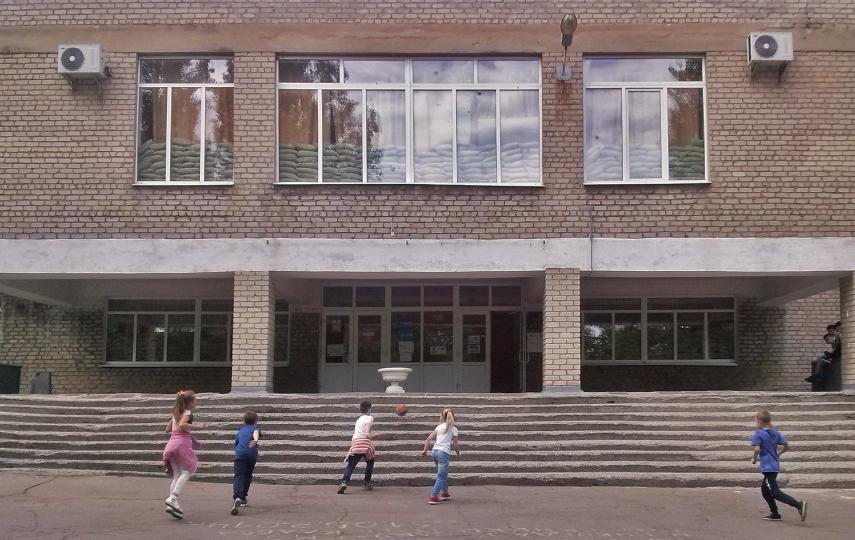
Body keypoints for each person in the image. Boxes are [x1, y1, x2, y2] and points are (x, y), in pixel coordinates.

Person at [751, 409, 807, 522]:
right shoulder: (776, 433)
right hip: (774, 466)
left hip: (768, 468)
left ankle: (798, 505)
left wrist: (754, 459)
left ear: (760, 421)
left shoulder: (758, 434)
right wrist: (779, 454)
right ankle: (775, 514)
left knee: (774, 492)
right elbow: (788, 445)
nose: (755, 424)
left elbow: (756, 448)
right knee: (765, 491)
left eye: (756, 421)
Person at [162, 389, 203, 519]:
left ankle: (171, 504)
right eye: (195, 399)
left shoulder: (176, 413)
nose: (196, 401)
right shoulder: (188, 413)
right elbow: (182, 425)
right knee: (189, 470)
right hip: (181, 445)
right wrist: (199, 426)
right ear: (190, 402)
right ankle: (173, 498)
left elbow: (168, 429)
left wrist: (194, 440)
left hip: (171, 446)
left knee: (177, 475)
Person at [337, 400, 379, 494]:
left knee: (351, 465)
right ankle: (366, 482)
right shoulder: (369, 418)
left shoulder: (358, 420)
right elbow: (367, 433)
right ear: (369, 409)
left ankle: (344, 482)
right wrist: (374, 435)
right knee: (370, 461)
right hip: (365, 443)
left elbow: (361, 432)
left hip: (356, 443)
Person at [420, 408, 459, 505]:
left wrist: (425, 451)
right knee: (441, 476)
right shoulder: (454, 429)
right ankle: (433, 496)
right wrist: (458, 453)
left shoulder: (439, 427)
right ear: (453, 416)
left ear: (442, 416)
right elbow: (455, 445)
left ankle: (445, 492)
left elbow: (429, 438)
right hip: (443, 453)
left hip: (435, 451)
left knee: (442, 472)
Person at [231, 411, 261, 515]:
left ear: (244, 421)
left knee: (239, 476)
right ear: (256, 421)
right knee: (248, 475)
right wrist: (255, 441)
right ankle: (243, 497)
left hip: (239, 455)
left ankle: (237, 497)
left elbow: (236, 444)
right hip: (251, 455)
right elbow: (256, 433)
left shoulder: (240, 431)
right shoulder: (255, 428)